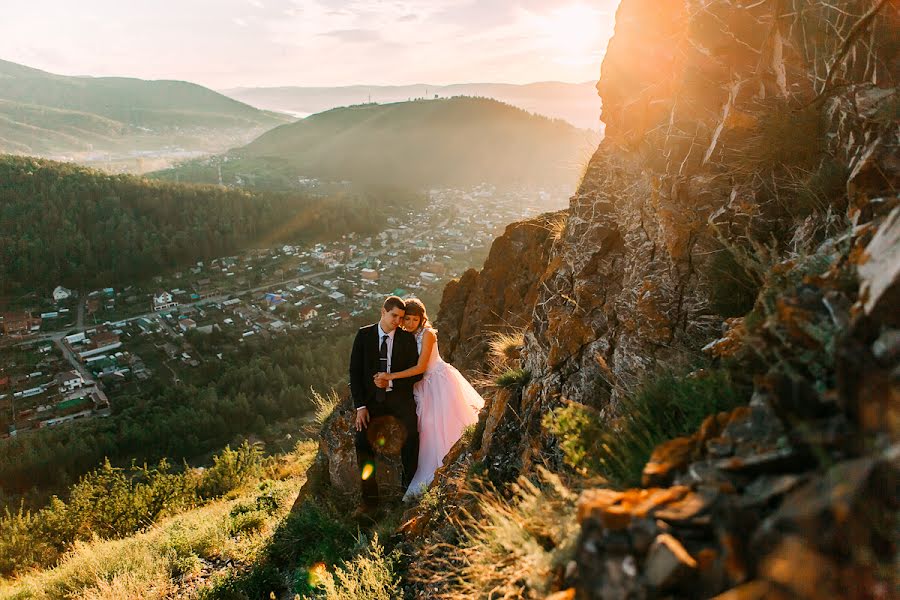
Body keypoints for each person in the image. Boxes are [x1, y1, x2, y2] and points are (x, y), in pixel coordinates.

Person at [375, 298, 484, 500]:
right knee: (426, 429)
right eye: (406, 318)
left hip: (438, 382)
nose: (409, 323)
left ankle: (454, 462)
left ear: (421, 319)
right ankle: (434, 470)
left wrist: (390, 377)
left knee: (446, 423)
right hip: (421, 386)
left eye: (414, 319)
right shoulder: (405, 335)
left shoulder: (428, 335)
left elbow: (421, 367)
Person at [349, 296, 422, 513]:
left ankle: (408, 493)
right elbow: (354, 372)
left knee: (411, 439)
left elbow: (415, 375)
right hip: (373, 403)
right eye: (394, 316)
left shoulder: (407, 340)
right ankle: (370, 501)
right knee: (362, 442)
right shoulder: (364, 335)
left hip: (400, 401)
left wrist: (391, 378)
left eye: (401, 317)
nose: (398, 321)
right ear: (383, 312)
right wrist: (360, 407)